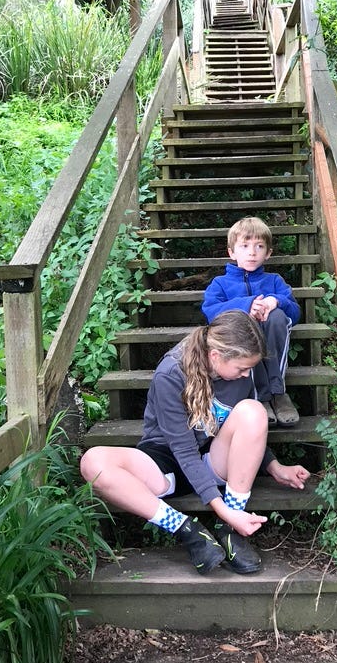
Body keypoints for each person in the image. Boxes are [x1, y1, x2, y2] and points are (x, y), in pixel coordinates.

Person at [80, 309, 310, 576]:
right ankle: (188, 531)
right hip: (168, 460)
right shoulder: (171, 373)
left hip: (214, 457)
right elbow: (184, 451)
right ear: (216, 356)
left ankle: (230, 533)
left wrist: (274, 466)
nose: (248, 375)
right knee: (93, 462)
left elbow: (245, 429)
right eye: (242, 368)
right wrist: (221, 509)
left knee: (254, 410)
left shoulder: (239, 375)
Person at [202, 216, 301, 427]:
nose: (252, 252)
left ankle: (278, 393)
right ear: (232, 252)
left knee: (277, 317)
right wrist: (247, 306)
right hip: (242, 343)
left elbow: (295, 312)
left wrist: (276, 301)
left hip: (272, 337)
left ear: (268, 253)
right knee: (244, 323)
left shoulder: (274, 281)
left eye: (259, 246)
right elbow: (211, 312)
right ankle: (260, 396)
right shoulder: (220, 283)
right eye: (244, 246)